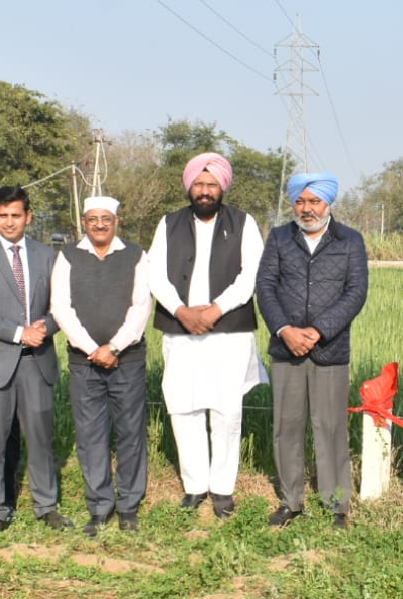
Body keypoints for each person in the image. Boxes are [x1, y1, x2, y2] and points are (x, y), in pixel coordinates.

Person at [149, 152, 267, 518]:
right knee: (184, 407)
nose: (204, 191)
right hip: (180, 327)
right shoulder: (168, 223)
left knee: (226, 409)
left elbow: (251, 275)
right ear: (189, 187)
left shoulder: (244, 223)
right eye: (198, 184)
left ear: (222, 187)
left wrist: (215, 310)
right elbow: (155, 273)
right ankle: (194, 485)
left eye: (211, 184)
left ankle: (222, 488)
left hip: (227, 329)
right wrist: (182, 312)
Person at [256, 173, 368, 530]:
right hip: (286, 348)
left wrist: (318, 331)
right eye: (300, 202)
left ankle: (337, 504)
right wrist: (285, 330)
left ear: (328, 204)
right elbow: (266, 288)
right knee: (286, 426)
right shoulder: (278, 238)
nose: (307, 209)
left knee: (331, 426)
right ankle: (291, 501)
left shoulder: (350, 240)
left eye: (314, 202)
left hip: (330, 350)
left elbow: (356, 293)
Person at [0, 186, 71, 533]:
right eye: (3, 215)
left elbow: (61, 307)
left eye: (16, 215)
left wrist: (46, 327)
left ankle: (47, 505)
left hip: (36, 361)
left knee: (40, 436)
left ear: (29, 217)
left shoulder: (47, 255)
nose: (9, 222)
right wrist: (16, 332)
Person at [50, 196, 153, 536]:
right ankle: (99, 507)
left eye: (105, 219)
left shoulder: (136, 255)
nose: (99, 225)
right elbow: (61, 308)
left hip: (128, 360)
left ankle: (128, 507)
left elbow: (140, 306)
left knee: (130, 433)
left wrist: (115, 346)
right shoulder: (68, 256)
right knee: (90, 435)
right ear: (83, 222)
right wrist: (95, 349)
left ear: (116, 221)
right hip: (84, 363)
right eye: (92, 219)